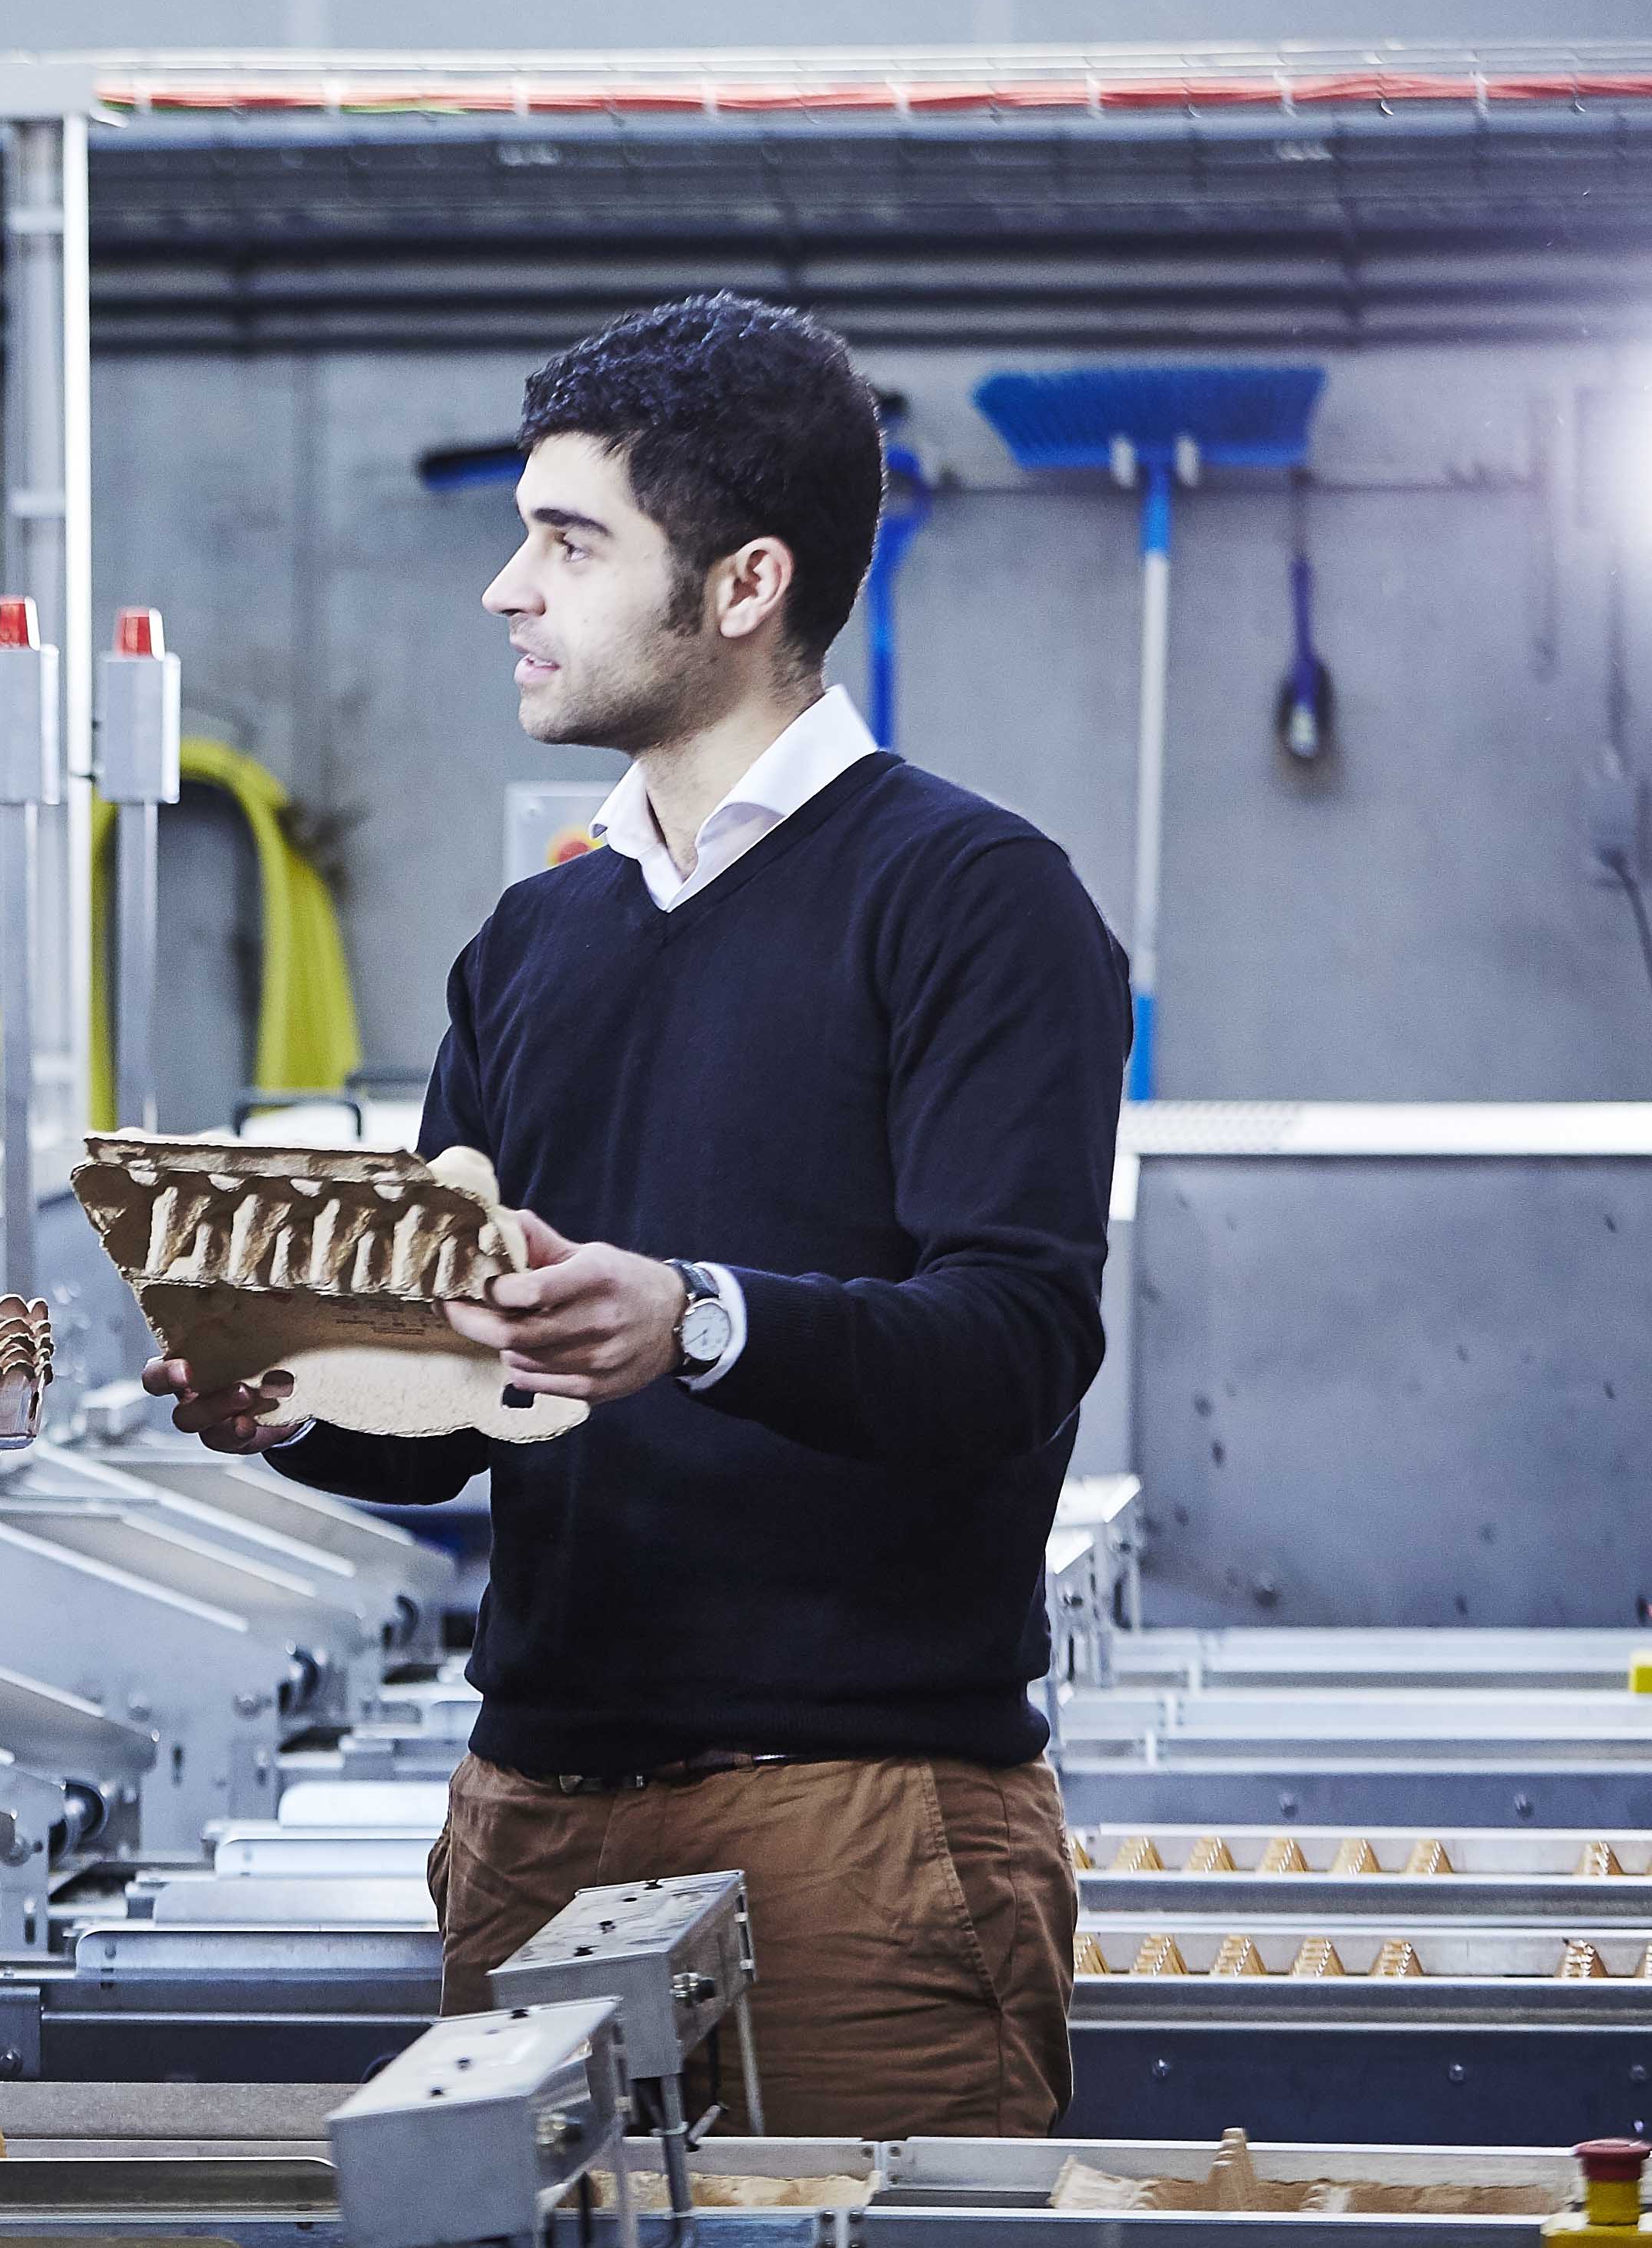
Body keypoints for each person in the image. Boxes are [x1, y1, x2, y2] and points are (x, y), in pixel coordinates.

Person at [158, 292, 1128, 2138]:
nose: (506, 590)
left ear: (744, 582)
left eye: (569, 541)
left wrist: (697, 1317)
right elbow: (457, 1412)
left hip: (853, 1828)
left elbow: (1016, 1343)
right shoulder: (537, 940)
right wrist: (287, 1396)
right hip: (533, 1812)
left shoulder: (974, 901)